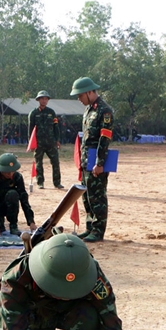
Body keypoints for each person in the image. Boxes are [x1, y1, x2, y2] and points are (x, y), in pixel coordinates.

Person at [71, 77, 114, 242]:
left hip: (96, 161)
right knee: (87, 196)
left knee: (97, 196)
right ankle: (90, 228)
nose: (79, 99)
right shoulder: (89, 110)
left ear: (89, 92)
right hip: (85, 161)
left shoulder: (105, 111)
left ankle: (98, 230)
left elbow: (104, 139)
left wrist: (100, 163)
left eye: (80, 95)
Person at [28, 90, 62, 190]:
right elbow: (30, 129)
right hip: (39, 143)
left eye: (46, 98)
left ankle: (57, 183)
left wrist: (57, 140)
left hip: (51, 142)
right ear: (38, 100)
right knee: (39, 163)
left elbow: (56, 127)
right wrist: (31, 143)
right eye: (42, 98)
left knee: (55, 162)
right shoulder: (33, 113)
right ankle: (40, 183)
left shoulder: (51, 112)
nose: (44, 100)